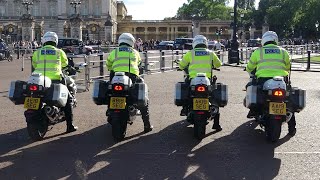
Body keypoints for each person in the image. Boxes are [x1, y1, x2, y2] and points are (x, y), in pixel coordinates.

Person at [245, 31, 296, 135]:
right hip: (281, 80)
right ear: (275, 40)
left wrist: (251, 71)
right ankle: (292, 127)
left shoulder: (258, 52)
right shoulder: (283, 52)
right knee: (289, 101)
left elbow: (250, 67)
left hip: (263, 79)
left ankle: (254, 110)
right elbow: (288, 67)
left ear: (264, 40)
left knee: (252, 89)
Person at [107, 33, 153, 133]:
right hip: (132, 77)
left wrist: (113, 69)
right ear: (131, 42)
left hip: (116, 77)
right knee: (143, 97)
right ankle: (147, 125)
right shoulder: (135, 52)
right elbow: (139, 63)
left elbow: (108, 64)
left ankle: (109, 109)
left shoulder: (114, 52)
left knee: (110, 91)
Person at [32, 31, 78, 133]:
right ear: (55, 41)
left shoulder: (37, 52)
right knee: (68, 100)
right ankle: (70, 126)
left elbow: (34, 64)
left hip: (39, 80)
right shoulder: (59, 52)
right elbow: (65, 65)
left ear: (44, 41)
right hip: (55, 79)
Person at [178, 35, 223, 131]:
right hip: (207, 80)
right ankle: (216, 124)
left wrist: (180, 67)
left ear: (195, 43)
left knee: (187, 93)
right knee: (214, 99)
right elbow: (219, 64)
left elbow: (181, 65)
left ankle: (185, 108)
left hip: (193, 79)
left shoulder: (190, 53)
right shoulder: (210, 53)